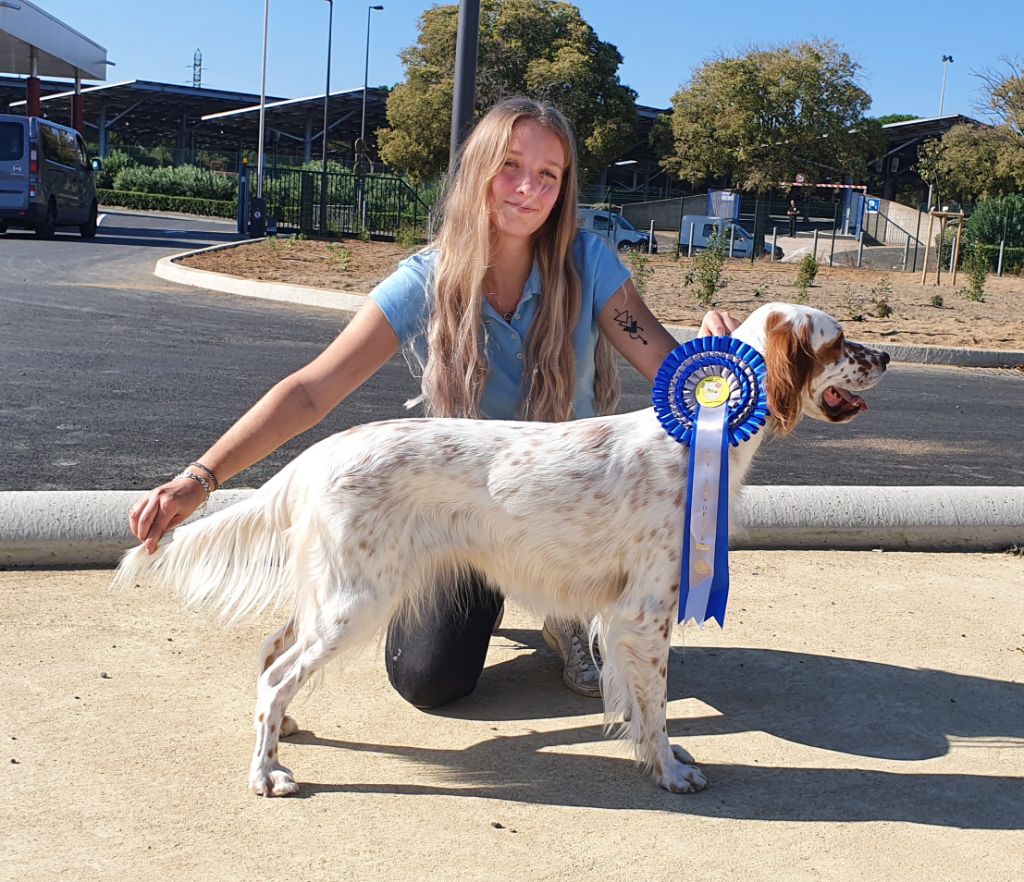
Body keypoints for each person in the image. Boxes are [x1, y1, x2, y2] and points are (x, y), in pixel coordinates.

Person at [129, 97, 739, 708]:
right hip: (457, 514)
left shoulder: (590, 263)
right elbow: (314, 388)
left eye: (549, 174)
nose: (528, 188)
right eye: (511, 165)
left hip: (565, 514)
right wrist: (199, 479)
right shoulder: (428, 277)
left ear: (564, 188)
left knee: (591, 598)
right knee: (430, 682)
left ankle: (568, 617)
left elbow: (674, 371)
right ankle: (451, 603)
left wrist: (724, 354)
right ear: (477, 170)